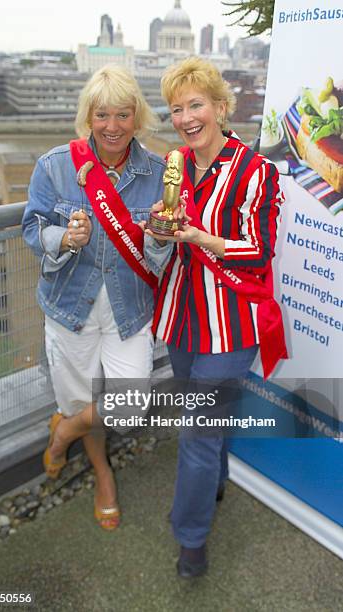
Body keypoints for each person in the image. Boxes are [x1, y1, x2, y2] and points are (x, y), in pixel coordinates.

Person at [143, 57, 287, 577]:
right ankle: (215, 482)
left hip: (231, 323)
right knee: (206, 426)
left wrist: (199, 237)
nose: (184, 117)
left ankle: (191, 539)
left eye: (195, 105)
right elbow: (164, 233)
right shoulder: (175, 163)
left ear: (221, 108)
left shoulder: (257, 171)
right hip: (182, 316)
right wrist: (158, 229)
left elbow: (259, 249)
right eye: (177, 108)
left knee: (197, 431)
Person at [22, 65, 165, 530]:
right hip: (70, 311)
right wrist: (64, 238)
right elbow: (32, 227)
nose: (112, 126)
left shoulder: (160, 173)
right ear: (89, 115)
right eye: (102, 114)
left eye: (123, 114)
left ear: (137, 117)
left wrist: (160, 238)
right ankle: (103, 473)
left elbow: (162, 259)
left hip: (130, 312)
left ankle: (62, 434)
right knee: (80, 398)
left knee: (129, 405)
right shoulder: (55, 165)